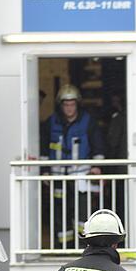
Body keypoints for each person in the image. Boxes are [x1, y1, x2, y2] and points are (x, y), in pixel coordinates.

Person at [39, 84, 106, 248]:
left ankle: (83, 246)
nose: (69, 108)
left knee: (82, 213)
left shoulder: (88, 122)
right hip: (58, 177)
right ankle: (64, 246)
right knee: (60, 212)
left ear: (77, 104)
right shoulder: (51, 122)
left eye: (72, 104)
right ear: (61, 105)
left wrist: (96, 167)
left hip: (81, 176)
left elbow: (98, 146)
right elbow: (44, 148)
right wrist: (45, 170)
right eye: (66, 104)